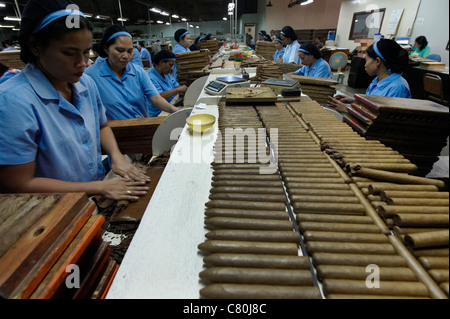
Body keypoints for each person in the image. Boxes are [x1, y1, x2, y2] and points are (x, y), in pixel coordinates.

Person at [0, 0, 150, 201]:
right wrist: (98, 187)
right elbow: (18, 183)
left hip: (93, 194)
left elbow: (102, 125)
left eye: (86, 51)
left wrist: (116, 157)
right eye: (69, 53)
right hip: (55, 210)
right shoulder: (12, 102)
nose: (82, 62)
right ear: (35, 46)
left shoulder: (85, 83)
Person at [85, 25, 179, 121]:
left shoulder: (138, 72)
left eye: (130, 51)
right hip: (114, 132)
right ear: (106, 48)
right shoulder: (90, 76)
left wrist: (177, 111)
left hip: (141, 127)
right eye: (120, 50)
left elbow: (156, 98)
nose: (126, 56)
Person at [327, 39, 411, 113]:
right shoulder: (377, 80)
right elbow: (374, 106)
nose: (365, 65)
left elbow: (382, 121)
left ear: (377, 61)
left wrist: (347, 109)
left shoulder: (398, 88)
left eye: (366, 60)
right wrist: (355, 100)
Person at [147, 50, 188, 117]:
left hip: (171, 105)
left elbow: (176, 85)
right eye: (170, 65)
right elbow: (159, 96)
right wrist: (177, 90)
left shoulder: (166, 73)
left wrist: (181, 89)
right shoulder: (150, 77)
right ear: (161, 62)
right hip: (159, 113)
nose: (171, 68)